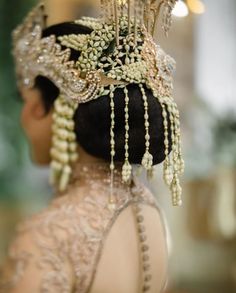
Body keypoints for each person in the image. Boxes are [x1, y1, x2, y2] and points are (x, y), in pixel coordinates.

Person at [0, 0, 184, 292]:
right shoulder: (151, 211)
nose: (23, 117)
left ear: (53, 108)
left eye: (27, 102)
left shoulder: (50, 236)